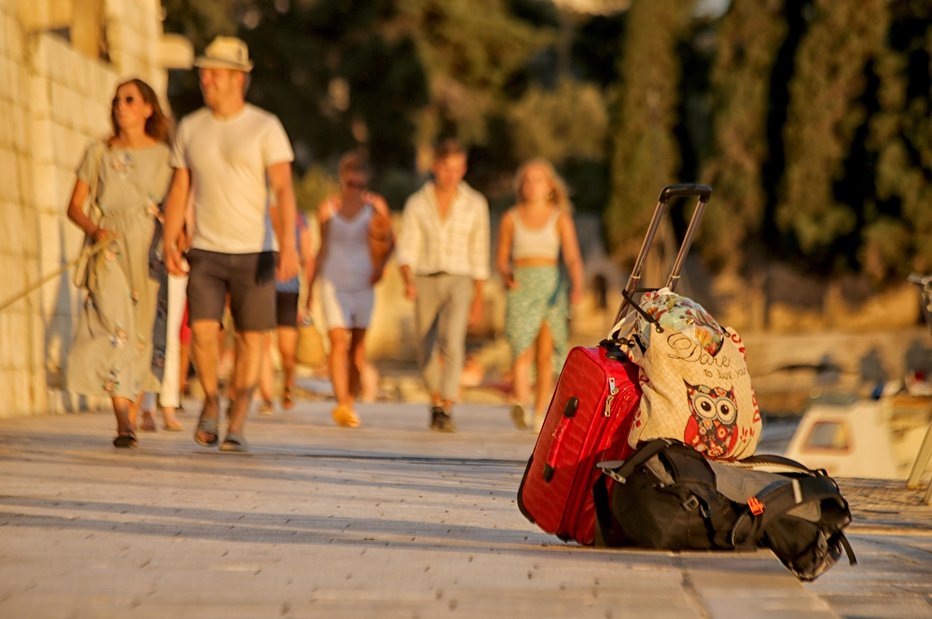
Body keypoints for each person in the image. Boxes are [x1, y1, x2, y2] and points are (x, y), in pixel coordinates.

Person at [162, 36, 299, 453]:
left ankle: (237, 420)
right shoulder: (190, 127)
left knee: (252, 339)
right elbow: (179, 185)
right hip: (205, 248)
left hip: (255, 251)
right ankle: (209, 400)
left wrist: (289, 245)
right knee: (203, 333)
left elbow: (283, 188)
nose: (207, 79)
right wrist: (170, 238)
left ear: (239, 79)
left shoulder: (265, 126)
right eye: (204, 72)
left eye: (216, 73)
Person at [66, 78, 173, 448]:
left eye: (129, 100)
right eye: (116, 100)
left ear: (148, 108)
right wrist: (96, 230)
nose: (120, 106)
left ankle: (132, 410)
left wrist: (176, 239)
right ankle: (123, 421)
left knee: (141, 334)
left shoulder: (165, 155)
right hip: (109, 242)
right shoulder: (98, 152)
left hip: (148, 247)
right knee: (114, 326)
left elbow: (177, 206)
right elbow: (74, 206)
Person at [396, 139, 490, 432]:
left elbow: (479, 252)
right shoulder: (416, 202)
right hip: (425, 277)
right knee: (425, 346)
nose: (451, 175)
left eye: (457, 169)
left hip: (460, 278)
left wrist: (477, 297)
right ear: (435, 167)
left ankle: (446, 406)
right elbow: (407, 247)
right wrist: (407, 280)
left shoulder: (476, 203)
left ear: (463, 169)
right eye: (446, 168)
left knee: (452, 341)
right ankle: (436, 399)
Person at [495, 158, 584, 432]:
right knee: (521, 346)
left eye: (538, 180)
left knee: (545, 353)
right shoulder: (510, 218)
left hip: (550, 285)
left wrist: (578, 286)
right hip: (521, 285)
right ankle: (521, 401)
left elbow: (571, 257)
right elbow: (501, 259)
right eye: (527, 180)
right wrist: (506, 273)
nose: (531, 185)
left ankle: (539, 410)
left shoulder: (560, 218)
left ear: (549, 186)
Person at [310, 150, 394, 427]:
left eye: (360, 185)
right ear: (342, 181)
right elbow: (321, 250)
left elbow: (391, 240)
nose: (355, 190)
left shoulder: (375, 206)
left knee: (357, 349)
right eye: (350, 184)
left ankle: (351, 401)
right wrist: (310, 289)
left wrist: (381, 267)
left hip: (363, 282)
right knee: (336, 341)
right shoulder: (328, 209)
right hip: (333, 282)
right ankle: (342, 403)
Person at [257, 209, 315, 414]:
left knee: (287, 351)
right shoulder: (259, 214)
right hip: (263, 286)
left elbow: (308, 257)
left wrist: (311, 293)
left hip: (289, 289)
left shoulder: (299, 219)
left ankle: (289, 384)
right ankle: (266, 398)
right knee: (263, 344)